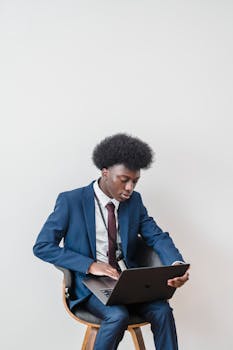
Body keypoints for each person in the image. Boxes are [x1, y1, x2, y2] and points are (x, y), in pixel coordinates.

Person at [33, 133, 189, 350]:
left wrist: (176, 266)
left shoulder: (134, 202)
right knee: (117, 315)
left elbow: (156, 235)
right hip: (89, 285)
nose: (129, 188)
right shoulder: (71, 201)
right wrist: (90, 265)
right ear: (105, 172)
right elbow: (42, 247)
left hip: (128, 281)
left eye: (135, 181)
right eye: (124, 180)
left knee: (162, 310)